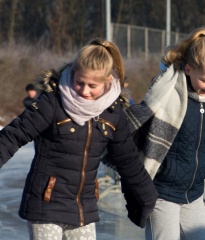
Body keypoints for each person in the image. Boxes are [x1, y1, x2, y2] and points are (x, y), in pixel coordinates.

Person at [0, 38, 158, 240]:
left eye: (92, 85)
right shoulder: (53, 102)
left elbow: (127, 158)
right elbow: (13, 135)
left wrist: (147, 196)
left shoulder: (112, 112)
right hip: (46, 202)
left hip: (84, 206)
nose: (84, 91)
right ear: (73, 73)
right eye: (79, 82)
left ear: (108, 81)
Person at [123, 26, 205, 240]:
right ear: (188, 69)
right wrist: (134, 191)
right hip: (161, 193)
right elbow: (139, 143)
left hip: (193, 194)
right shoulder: (167, 96)